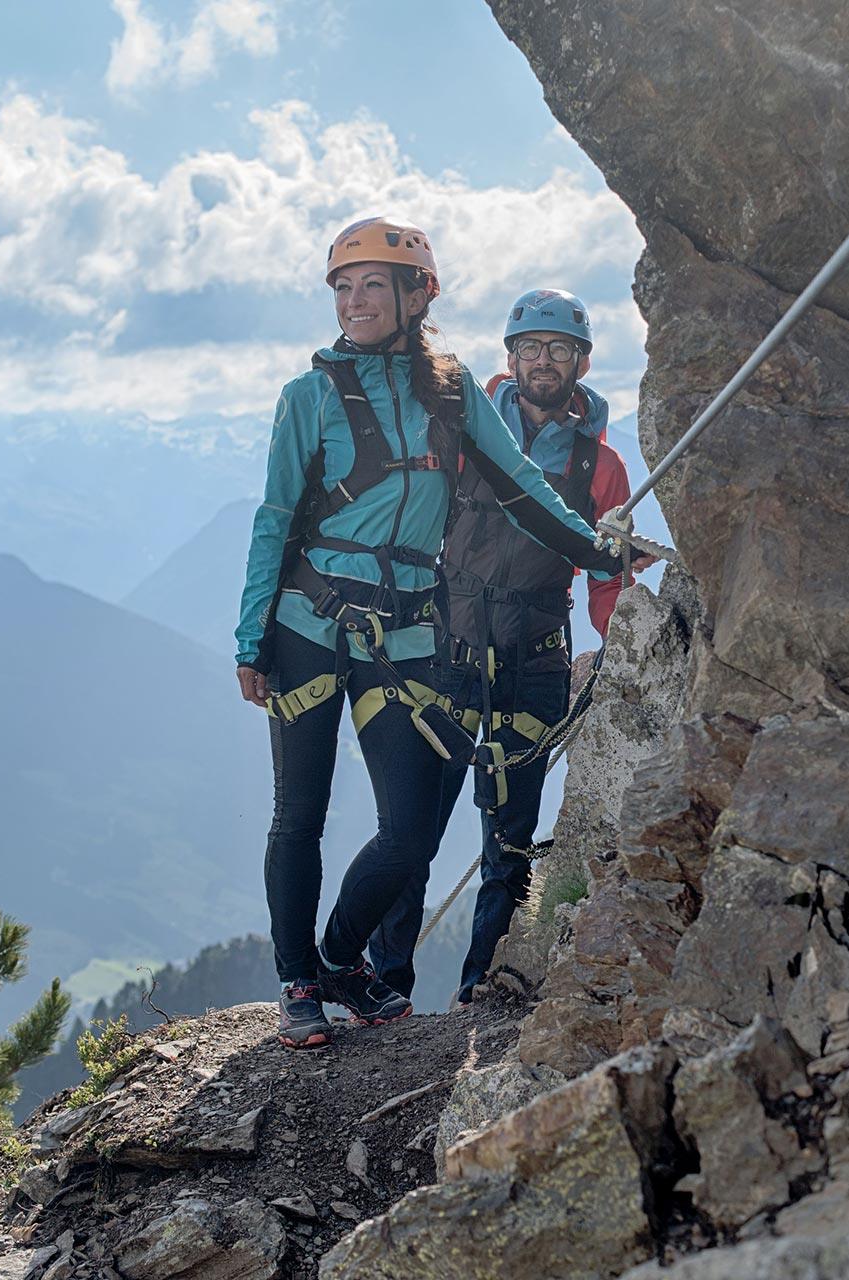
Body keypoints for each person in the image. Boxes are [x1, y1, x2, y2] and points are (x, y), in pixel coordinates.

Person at [234, 219, 636, 1049]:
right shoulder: (307, 397)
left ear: (418, 297)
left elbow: (523, 489)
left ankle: (339, 957)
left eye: (373, 286)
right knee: (297, 816)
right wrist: (251, 637)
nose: (354, 303)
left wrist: (595, 548)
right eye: (343, 288)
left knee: (410, 830)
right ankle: (299, 981)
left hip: (408, 636)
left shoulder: (451, 393)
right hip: (308, 624)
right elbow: (275, 516)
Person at [369, 289, 639, 1006]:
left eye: (556, 349)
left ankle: (479, 989)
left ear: (579, 363)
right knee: (413, 829)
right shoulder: (462, 433)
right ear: (510, 360)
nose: (541, 361)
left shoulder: (600, 467)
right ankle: (383, 983)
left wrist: (618, 648)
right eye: (529, 349)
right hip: (450, 652)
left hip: (537, 661)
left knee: (510, 840)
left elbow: (609, 573)